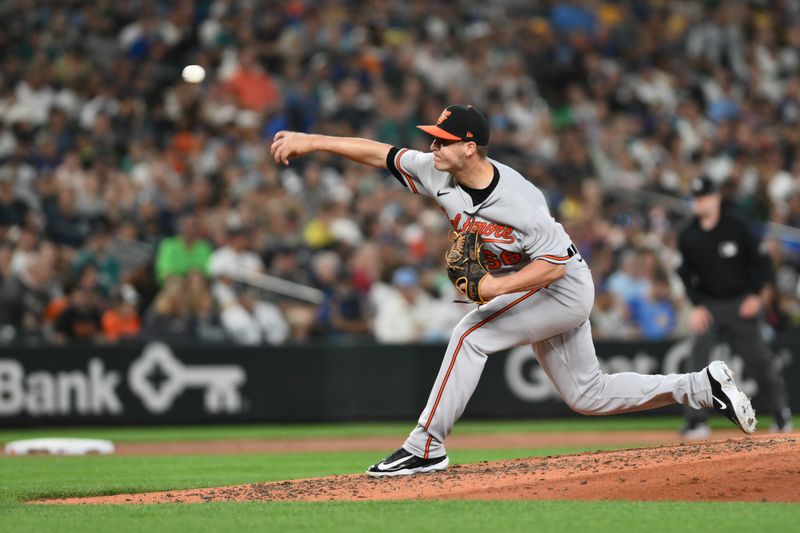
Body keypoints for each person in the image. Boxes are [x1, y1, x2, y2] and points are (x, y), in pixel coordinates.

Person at [270, 104, 757, 478]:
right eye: (433, 141)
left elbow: (554, 265)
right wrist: (312, 141)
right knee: (588, 395)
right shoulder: (437, 172)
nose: (432, 148)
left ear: (469, 147)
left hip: (563, 286)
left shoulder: (520, 201)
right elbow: (380, 153)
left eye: (442, 141)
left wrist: (496, 286)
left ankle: (425, 447)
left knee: (470, 332)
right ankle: (700, 386)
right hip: (540, 290)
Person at [677, 176, 792, 438]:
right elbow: (684, 273)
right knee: (697, 361)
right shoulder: (688, 234)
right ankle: (696, 422)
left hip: (742, 303)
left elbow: (762, 261)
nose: (698, 202)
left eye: (703, 197)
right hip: (710, 307)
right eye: (695, 198)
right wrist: (696, 305)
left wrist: (755, 295)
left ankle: (780, 414)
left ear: (716, 197)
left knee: (759, 361)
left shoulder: (737, 224)